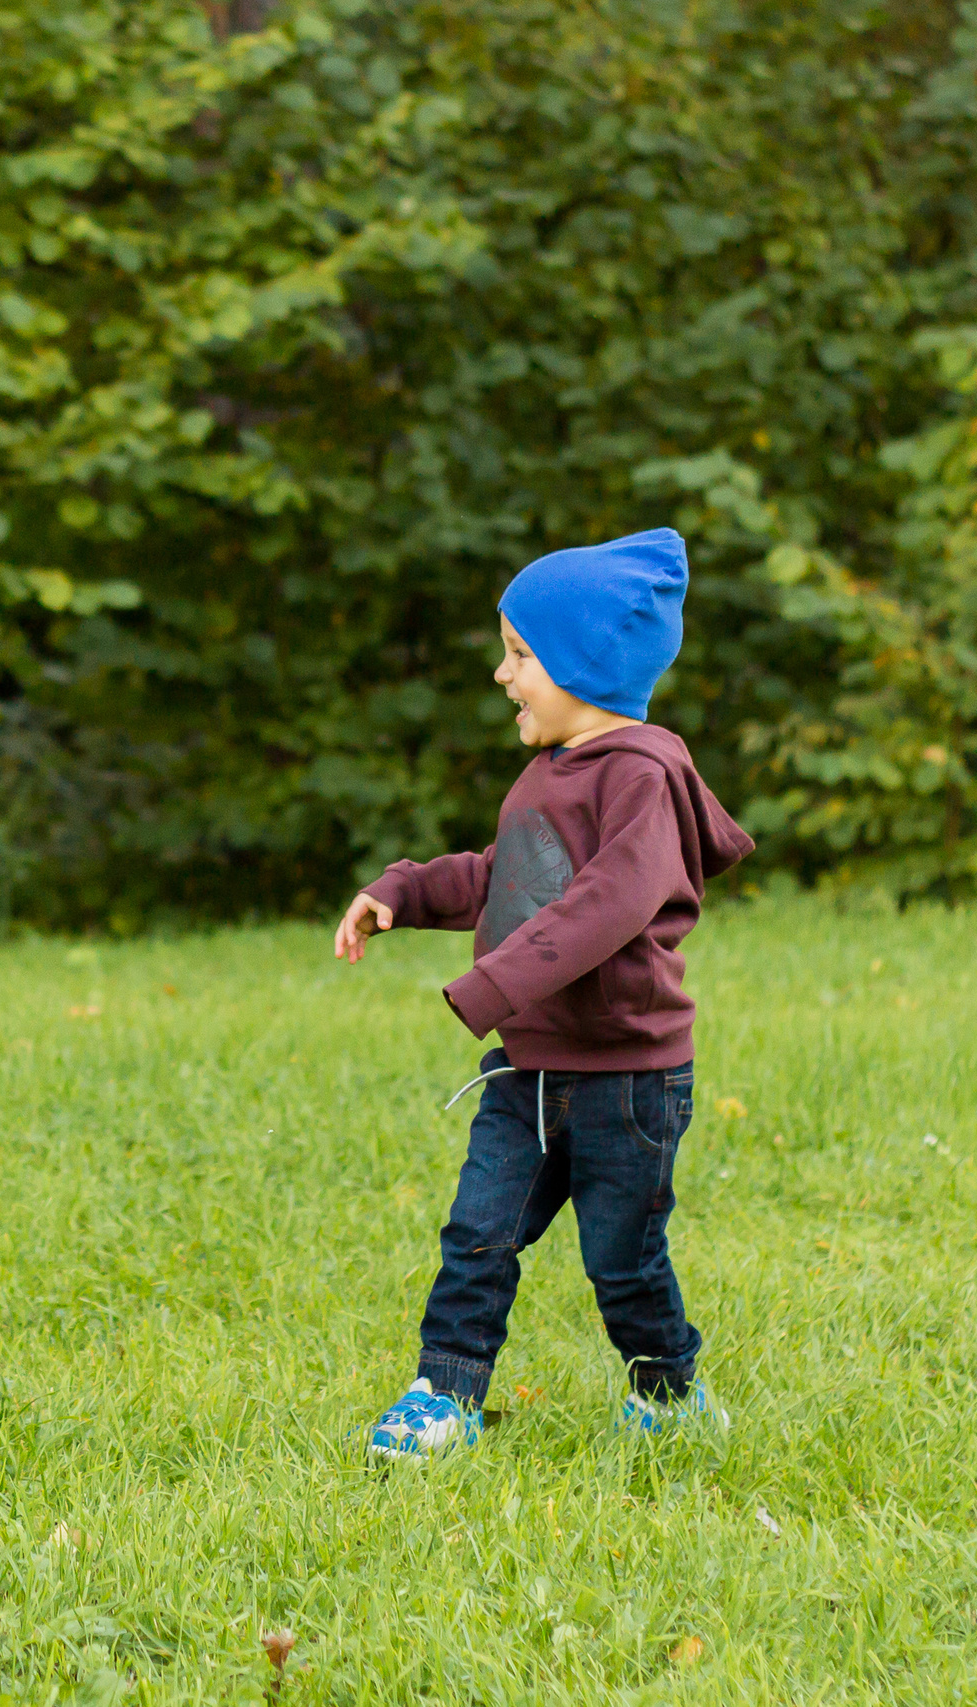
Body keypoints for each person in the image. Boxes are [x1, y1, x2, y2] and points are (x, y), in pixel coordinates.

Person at [331, 529, 753, 1461]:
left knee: (622, 1260)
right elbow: (506, 875)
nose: (502, 674)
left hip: (628, 1080)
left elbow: (609, 903)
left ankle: (667, 1393)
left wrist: (499, 979)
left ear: (584, 664)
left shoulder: (641, 776)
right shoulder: (549, 773)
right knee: (478, 1232)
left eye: (521, 654)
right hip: (528, 1071)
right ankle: (446, 1393)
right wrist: (403, 890)